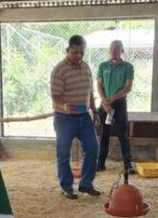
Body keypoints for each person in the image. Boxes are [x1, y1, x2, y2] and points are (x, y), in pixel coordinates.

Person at [51, 35, 101, 199]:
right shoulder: (59, 70)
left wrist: (94, 111)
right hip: (64, 118)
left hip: (84, 116)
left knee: (93, 148)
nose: (78, 56)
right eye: (74, 53)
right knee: (63, 153)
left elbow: (90, 93)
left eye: (81, 53)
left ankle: (86, 184)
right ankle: (66, 187)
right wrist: (63, 105)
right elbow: (55, 97)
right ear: (67, 50)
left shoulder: (86, 67)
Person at [96, 40, 134, 174]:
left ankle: (128, 164)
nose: (114, 51)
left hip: (119, 103)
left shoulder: (127, 66)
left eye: (117, 49)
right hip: (105, 103)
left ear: (122, 51)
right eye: (112, 49)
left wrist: (113, 98)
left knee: (123, 134)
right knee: (104, 134)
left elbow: (128, 87)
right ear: (109, 50)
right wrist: (104, 101)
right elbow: (99, 85)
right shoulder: (103, 66)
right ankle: (100, 163)